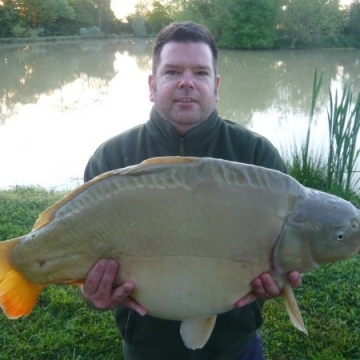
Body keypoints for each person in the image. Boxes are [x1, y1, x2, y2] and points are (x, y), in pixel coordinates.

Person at [81, 21, 302, 360]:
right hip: (146, 347)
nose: (186, 82)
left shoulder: (257, 157)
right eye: (172, 72)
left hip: (235, 346)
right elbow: (85, 259)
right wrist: (93, 292)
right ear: (153, 85)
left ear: (215, 86)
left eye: (200, 72)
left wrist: (279, 280)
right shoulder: (110, 159)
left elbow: (284, 255)